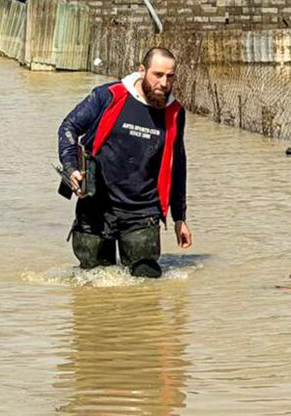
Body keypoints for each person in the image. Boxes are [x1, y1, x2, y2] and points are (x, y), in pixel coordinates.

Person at [58, 47, 192, 278]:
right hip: (96, 208)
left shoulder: (175, 113)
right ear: (142, 71)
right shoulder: (108, 96)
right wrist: (71, 169)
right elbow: (68, 128)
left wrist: (180, 218)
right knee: (92, 284)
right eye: (157, 75)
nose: (164, 83)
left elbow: (177, 166)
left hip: (142, 213)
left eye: (170, 77)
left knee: (147, 285)